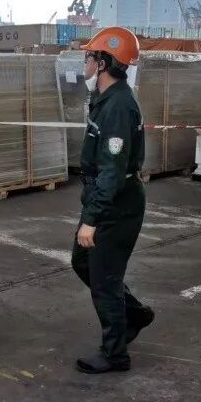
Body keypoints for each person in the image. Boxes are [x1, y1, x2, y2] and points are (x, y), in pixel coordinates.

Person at [71, 27, 155, 374]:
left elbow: (112, 169)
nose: (86, 62)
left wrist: (92, 219)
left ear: (103, 63)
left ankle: (115, 354)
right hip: (104, 197)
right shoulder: (105, 98)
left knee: (104, 279)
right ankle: (134, 314)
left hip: (117, 204)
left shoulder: (118, 106)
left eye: (90, 56)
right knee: (82, 262)